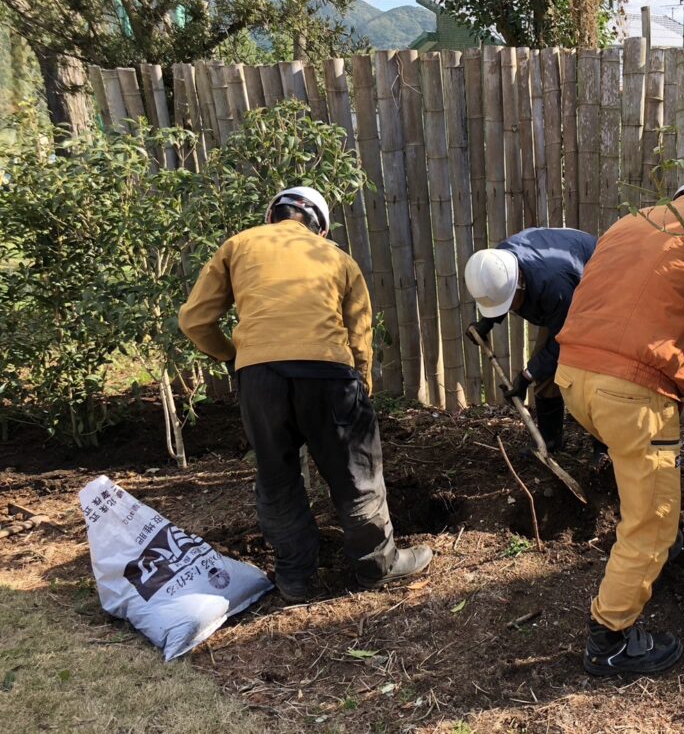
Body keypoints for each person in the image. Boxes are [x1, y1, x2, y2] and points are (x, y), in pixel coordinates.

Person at [554, 173, 684, 676]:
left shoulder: (632, 221)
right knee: (652, 517)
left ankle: (660, 556)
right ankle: (610, 640)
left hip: (574, 377)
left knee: (645, 475)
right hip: (629, 393)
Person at [178, 186, 432, 602]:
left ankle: (295, 577)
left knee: (277, 478)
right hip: (329, 375)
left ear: (271, 217)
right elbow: (360, 334)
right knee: (356, 474)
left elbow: (194, 321)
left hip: (260, 378)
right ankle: (376, 566)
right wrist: (360, 386)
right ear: (321, 228)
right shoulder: (337, 258)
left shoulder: (238, 245)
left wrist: (235, 357)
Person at [464, 227, 599, 457]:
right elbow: (501, 294)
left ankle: (604, 450)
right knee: (545, 372)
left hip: (596, 292)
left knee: (591, 376)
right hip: (564, 299)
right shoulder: (499, 264)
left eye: (509, 303)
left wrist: (527, 376)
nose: (509, 309)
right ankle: (550, 441)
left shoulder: (555, 287)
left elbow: (562, 343)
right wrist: (486, 322)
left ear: (520, 283)